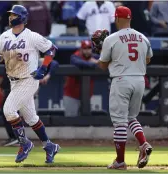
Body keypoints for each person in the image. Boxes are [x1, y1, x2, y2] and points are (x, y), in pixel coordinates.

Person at [0, 5, 60, 163]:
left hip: (29, 79)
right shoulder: (4, 36)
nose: (10, 17)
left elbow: (51, 49)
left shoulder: (32, 36)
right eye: (10, 15)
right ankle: (49, 145)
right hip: (13, 80)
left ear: (22, 17)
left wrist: (43, 68)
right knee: (31, 118)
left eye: (14, 14)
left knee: (9, 110)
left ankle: (24, 143)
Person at [92, 6, 153, 169]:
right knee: (132, 118)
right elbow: (148, 60)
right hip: (140, 80)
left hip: (121, 80)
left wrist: (100, 52)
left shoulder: (111, 39)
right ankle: (143, 144)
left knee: (120, 122)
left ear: (117, 19)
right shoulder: (143, 37)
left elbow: (103, 65)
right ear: (130, 18)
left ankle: (120, 161)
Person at [63, 40, 99, 117]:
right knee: (71, 121)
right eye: (85, 48)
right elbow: (78, 62)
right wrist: (93, 63)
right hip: (71, 96)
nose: (87, 50)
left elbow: (106, 60)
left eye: (89, 48)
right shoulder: (75, 56)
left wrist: (97, 61)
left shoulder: (94, 57)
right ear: (81, 49)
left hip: (86, 97)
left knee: (86, 122)